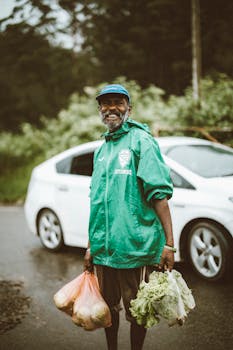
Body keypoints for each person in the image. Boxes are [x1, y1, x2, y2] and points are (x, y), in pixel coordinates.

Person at [84, 84, 175, 350]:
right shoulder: (101, 150)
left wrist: (169, 244)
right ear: (100, 109)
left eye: (118, 102)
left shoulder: (141, 141)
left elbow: (159, 195)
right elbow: (97, 203)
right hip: (105, 251)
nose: (111, 108)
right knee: (107, 310)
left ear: (128, 109)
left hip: (135, 247)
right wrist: (92, 246)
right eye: (105, 103)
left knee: (138, 310)